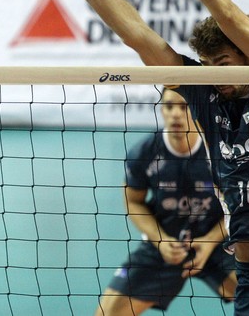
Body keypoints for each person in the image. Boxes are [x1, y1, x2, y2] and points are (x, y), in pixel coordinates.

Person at [27, 0, 249, 313]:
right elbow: (138, 36)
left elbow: (227, 14)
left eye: (224, 65)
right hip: (248, 273)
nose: (216, 77)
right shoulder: (206, 96)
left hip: (218, 247)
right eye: (207, 68)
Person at [95, 88, 236, 315]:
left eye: (184, 106)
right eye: (169, 106)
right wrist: (159, 240)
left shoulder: (220, 148)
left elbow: (238, 206)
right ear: (162, 109)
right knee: (106, 313)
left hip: (216, 240)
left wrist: (210, 241)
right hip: (164, 240)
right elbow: (133, 202)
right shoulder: (144, 152)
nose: (176, 115)